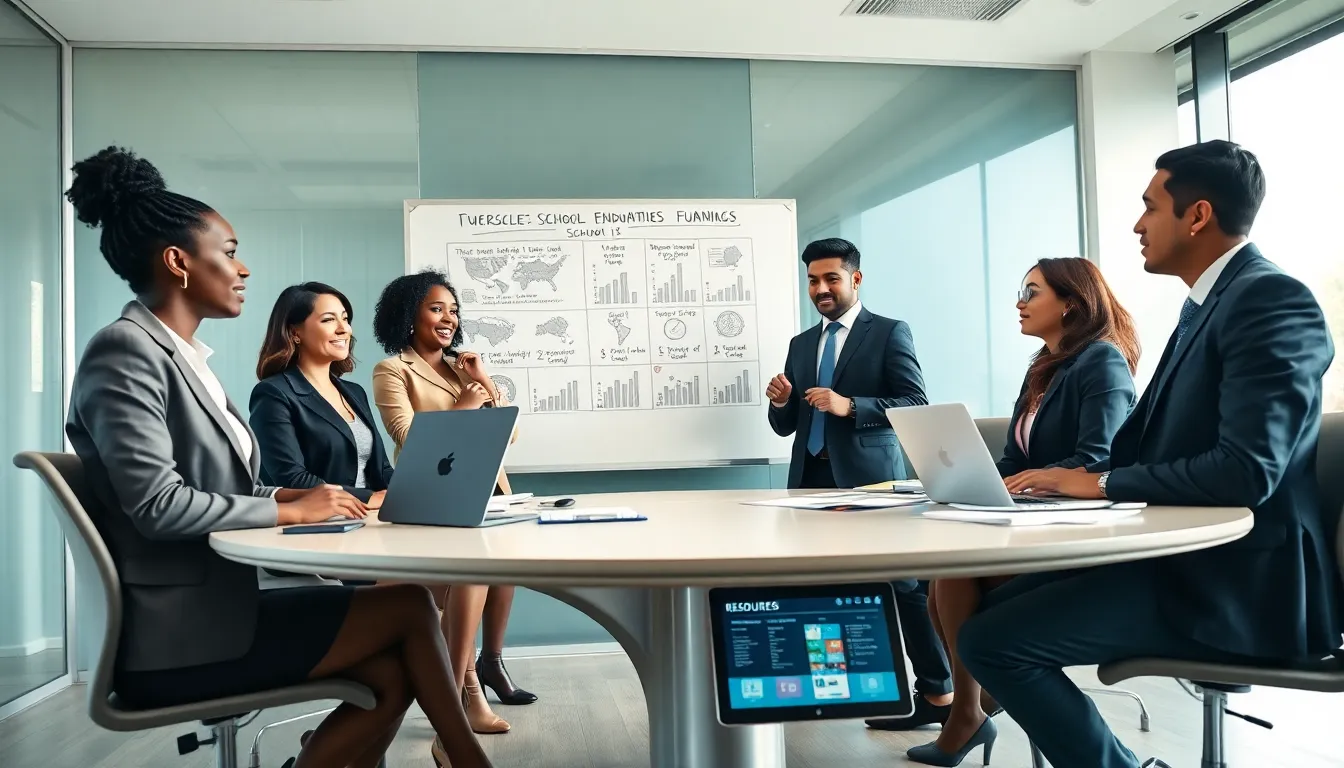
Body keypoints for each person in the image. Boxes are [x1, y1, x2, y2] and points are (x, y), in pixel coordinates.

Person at [63, 146, 490, 768]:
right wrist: (289, 510)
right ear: (178, 262)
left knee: (391, 670)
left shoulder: (182, 359)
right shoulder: (125, 352)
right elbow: (158, 506)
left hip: (218, 606)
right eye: (229, 253)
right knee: (405, 605)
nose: (244, 270)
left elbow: (207, 484)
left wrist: (281, 497)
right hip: (182, 637)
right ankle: (466, 757)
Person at [958, 140, 1342, 768]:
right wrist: (1078, 482)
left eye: (1149, 207)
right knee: (989, 608)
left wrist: (1100, 484)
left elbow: (1248, 470)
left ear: (1197, 216)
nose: (1137, 224)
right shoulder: (1210, 304)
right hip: (1185, 558)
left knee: (992, 640)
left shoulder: (1271, 301)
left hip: (1237, 582)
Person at [910, 257, 1139, 766]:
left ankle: (969, 713)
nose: (1020, 301)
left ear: (1071, 304)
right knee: (943, 586)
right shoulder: (1043, 367)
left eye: (1032, 292)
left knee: (951, 580)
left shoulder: (1102, 361)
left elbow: (1097, 459)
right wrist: (972, 476)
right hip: (1030, 517)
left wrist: (1035, 482)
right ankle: (973, 708)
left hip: (1077, 530)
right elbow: (1015, 460)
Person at [764, 237, 953, 730]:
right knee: (818, 587)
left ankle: (938, 694)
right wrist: (782, 401)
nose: (821, 289)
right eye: (812, 280)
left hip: (871, 483)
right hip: (810, 480)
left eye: (831, 278)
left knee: (904, 587)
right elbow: (787, 428)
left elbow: (915, 402)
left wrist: (852, 406)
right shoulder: (801, 344)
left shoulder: (889, 332)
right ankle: (839, 691)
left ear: (855, 278)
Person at [371, 269, 534, 735]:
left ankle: (471, 683)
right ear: (409, 316)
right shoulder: (393, 370)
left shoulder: (462, 370)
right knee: (461, 586)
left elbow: (510, 432)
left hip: (492, 489)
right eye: (436, 308)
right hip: (438, 495)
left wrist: (482, 380)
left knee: (496, 580)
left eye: (454, 309)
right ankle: (464, 695)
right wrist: (465, 404)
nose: (448, 318)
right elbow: (406, 435)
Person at [249, 282, 394, 506]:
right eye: (328, 319)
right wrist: (368, 498)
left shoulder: (355, 392)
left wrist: (410, 491)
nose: (343, 328)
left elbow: (381, 469)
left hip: (372, 519)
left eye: (345, 318)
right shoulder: (273, 393)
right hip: (316, 525)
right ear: (295, 333)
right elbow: (292, 478)